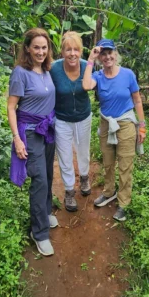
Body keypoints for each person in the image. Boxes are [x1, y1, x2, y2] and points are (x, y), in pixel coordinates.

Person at [82, 39, 146, 222]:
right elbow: (86, 86)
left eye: (110, 53)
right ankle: (109, 192)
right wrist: (90, 59)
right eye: (104, 53)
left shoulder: (128, 74)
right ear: (100, 57)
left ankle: (124, 203)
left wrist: (142, 126)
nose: (108, 56)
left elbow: (137, 100)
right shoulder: (98, 76)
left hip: (125, 123)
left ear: (116, 54)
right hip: (106, 123)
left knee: (125, 165)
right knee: (108, 163)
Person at [7, 28, 56, 257]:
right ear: (27, 48)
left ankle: (46, 212)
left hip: (47, 130)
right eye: (36, 47)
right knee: (40, 180)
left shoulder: (46, 70)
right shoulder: (20, 72)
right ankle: (40, 233)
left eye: (44, 47)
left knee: (48, 174)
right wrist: (17, 139)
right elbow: (11, 107)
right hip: (29, 132)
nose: (40, 51)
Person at [50, 31, 92, 212]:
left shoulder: (87, 67)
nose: (72, 53)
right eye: (68, 50)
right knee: (65, 156)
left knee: (83, 150)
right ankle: (68, 191)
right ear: (62, 52)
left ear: (81, 51)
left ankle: (84, 177)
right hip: (62, 119)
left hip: (83, 117)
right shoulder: (54, 69)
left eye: (76, 49)